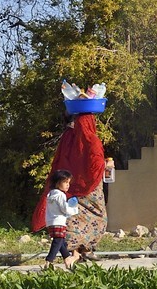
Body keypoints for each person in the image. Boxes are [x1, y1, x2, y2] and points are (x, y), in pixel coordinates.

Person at [31, 111, 107, 259]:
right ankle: (82, 251)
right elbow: (96, 163)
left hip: (68, 185)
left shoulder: (68, 136)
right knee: (98, 217)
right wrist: (107, 164)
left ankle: (76, 252)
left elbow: (60, 159)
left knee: (73, 218)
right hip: (90, 188)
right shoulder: (91, 139)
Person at [42, 170, 80, 267]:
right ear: (57, 183)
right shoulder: (60, 195)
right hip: (59, 221)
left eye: (68, 182)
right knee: (58, 241)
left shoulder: (51, 194)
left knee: (61, 241)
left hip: (51, 221)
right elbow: (65, 209)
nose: (68, 185)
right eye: (65, 182)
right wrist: (74, 210)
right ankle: (49, 261)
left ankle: (67, 258)